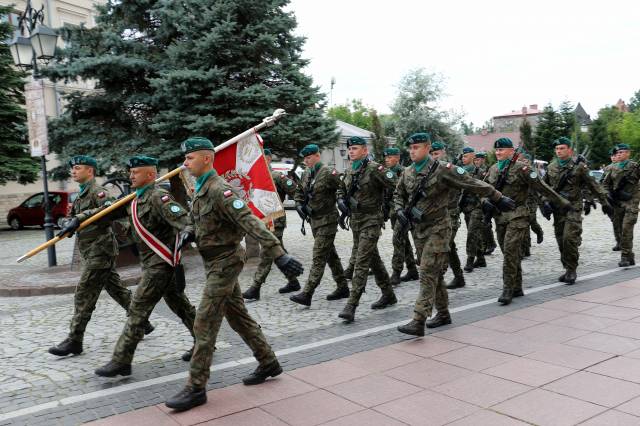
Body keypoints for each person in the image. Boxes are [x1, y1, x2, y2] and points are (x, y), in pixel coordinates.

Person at [165, 137, 304, 411]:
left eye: (190, 158)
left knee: (204, 321)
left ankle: (196, 387)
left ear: (206, 159)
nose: (185, 163)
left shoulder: (220, 190)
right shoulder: (201, 188)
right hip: (213, 261)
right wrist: (190, 231)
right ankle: (268, 361)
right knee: (238, 316)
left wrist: (279, 253)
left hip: (226, 261)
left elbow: (249, 220)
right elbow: (204, 221)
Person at [60, 155, 197, 377]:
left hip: (160, 264)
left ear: (151, 175)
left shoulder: (158, 197)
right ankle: (204, 341)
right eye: (130, 172)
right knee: (180, 306)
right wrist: (78, 219)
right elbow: (106, 212)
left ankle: (122, 359)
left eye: (136, 172)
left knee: (137, 310)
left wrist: (188, 233)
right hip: (151, 264)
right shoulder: (135, 199)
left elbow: (184, 221)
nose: (131, 175)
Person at [395, 132, 513, 336]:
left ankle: (418, 319)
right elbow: (398, 194)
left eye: (416, 147)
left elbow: (471, 182)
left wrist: (497, 196)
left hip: (439, 228)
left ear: (427, 148)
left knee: (427, 272)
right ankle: (443, 313)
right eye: (410, 148)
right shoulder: (407, 172)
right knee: (434, 274)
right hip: (419, 230)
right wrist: (399, 211)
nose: (412, 151)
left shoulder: (443, 170)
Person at [49, 155, 154, 357]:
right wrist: (67, 224)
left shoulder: (99, 192)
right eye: (73, 169)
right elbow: (73, 219)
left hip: (101, 250)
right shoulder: (80, 195)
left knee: (84, 293)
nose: (73, 172)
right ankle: (143, 323)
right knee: (117, 290)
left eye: (78, 168)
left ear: (90, 171)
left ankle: (74, 340)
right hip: (89, 250)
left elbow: (113, 210)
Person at [483, 138, 570, 305]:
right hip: (500, 217)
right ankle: (517, 286)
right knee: (509, 252)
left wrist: (561, 202)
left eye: (502, 150)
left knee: (510, 251)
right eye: (497, 150)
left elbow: (542, 187)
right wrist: (485, 202)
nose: (498, 153)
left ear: (511, 151)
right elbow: (484, 189)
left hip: (518, 215)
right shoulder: (493, 169)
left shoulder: (523, 169)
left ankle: (508, 288)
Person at [336, 136, 398, 323]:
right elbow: (341, 189)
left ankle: (351, 305)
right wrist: (340, 201)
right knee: (373, 259)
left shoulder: (374, 168)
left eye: (355, 148)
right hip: (356, 221)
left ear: (364, 150)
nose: (351, 151)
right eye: (350, 149)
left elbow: (396, 184)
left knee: (361, 261)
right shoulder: (349, 170)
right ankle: (388, 294)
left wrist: (390, 206)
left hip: (371, 220)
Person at [542, 137, 612, 284]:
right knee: (561, 240)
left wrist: (604, 202)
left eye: (562, 148)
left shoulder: (580, 167)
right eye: (557, 149)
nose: (559, 151)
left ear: (570, 150)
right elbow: (544, 187)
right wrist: (544, 203)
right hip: (558, 208)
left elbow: (594, 185)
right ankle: (567, 266)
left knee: (569, 238)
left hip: (573, 207)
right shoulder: (551, 167)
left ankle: (572, 269)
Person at [289, 144, 350, 306]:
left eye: (309, 158)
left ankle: (307, 293)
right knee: (331, 256)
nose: (306, 161)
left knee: (318, 257)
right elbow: (299, 192)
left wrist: (343, 204)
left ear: (317, 156)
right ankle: (343, 287)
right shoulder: (307, 173)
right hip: (314, 222)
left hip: (328, 220)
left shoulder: (329, 173)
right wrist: (298, 204)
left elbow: (344, 187)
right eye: (305, 158)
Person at [243, 148, 300, 300]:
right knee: (278, 251)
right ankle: (293, 281)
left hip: (276, 220)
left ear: (267, 159)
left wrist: (301, 206)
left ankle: (255, 287)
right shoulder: (254, 177)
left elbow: (296, 191)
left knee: (267, 251)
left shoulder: (276, 176)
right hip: (262, 220)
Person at [384, 147, 419, 285]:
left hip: (405, 212)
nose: (387, 160)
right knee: (404, 241)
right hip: (394, 212)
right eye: (385, 158)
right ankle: (412, 270)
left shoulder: (404, 172)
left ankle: (396, 272)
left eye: (390, 157)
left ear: (397, 158)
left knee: (397, 240)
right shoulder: (386, 173)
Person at [602, 143, 640, 267]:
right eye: (617, 153)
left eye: (622, 152)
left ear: (628, 153)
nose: (619, 154)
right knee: (619, 230)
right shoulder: (612, 168)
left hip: (631, 202)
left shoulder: (634, 167)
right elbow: (605, 185)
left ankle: (624, 257)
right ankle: (630, 255)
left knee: (626, 229)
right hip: (617, 203)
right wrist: (608, 195)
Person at [458, 147, 488, 274]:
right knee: (475, 233)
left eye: (465, 156)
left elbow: (486, 190)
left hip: (477, 207)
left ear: (472, 157)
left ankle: (470, 259)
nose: (463, 159)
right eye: (462, 157)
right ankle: (481, 258)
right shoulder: (460, 172)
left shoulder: (480, 172)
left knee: (471, 233)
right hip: (465, 207)